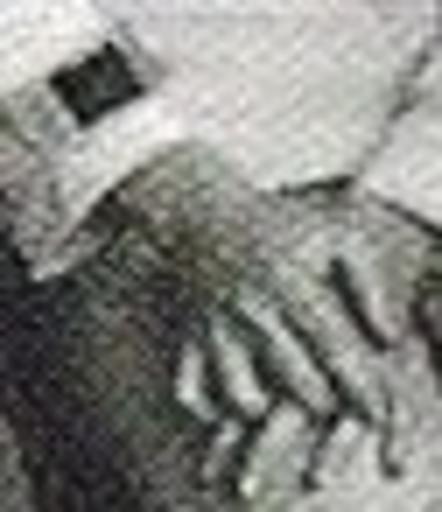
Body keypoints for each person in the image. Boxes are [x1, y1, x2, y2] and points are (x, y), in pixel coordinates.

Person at [0, 0, 440, 509]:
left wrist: (404, 208)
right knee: (346, 482)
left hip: (410, 158)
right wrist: (187, 202)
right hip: (151, 173)